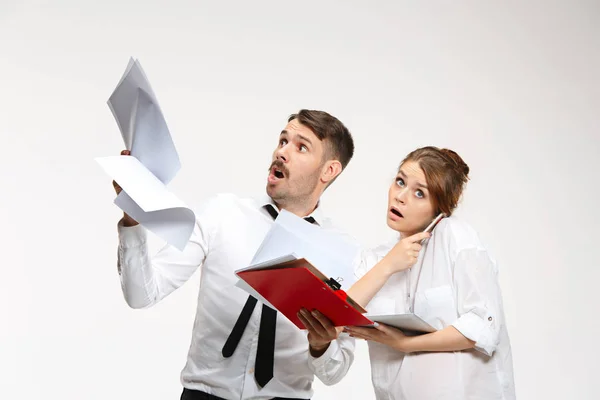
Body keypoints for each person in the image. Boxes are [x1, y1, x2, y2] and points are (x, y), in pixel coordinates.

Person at [112, 110, 357, 400]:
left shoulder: (343, 252)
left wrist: (321, 345)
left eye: (300, 147)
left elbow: (334, 373)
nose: (282, 152)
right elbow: (142, 295)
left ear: (329, 170)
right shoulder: (222, 214)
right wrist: (133, 219)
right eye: (282, 140)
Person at [344, 146, 516, 399]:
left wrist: (405, 344)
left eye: (419, 193)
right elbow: (336, 318)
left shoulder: (454, 236)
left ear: (440, 208)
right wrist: (388, 265)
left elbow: (482, 325)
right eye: (400, 181)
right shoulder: (375, 260)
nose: (400, 196)